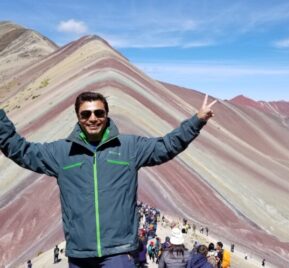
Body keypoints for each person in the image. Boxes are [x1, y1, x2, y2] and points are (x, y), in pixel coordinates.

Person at [0, 92, 217, 268]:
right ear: (78, 117)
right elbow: (21, 151)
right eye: (85, 114)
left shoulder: (130, 147)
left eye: (98, 112)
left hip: (119, 253)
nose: (92, 118)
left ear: (107, 114)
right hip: (80, 254)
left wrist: (197, 121)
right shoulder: (61, 152)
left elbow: (167, 146)